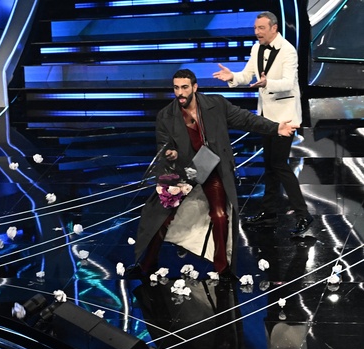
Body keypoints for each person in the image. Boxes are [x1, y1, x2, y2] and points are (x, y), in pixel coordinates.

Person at [129, 68, 298, 280]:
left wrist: (275, 128)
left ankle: (222, 268)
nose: (180, 92)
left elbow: (246, 119)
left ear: (195, 87)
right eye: (176, 88)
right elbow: (164, 147)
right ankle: (147, 263)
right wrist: (170, 155)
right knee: (161, 217)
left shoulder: (215, 104)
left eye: (184, 87)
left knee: (220, 215)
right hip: (183, 171)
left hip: (210, 166)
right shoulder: (166, 115)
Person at [213, 11, 312, 236]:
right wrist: (233, 77)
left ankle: (303, 214)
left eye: (261, 28)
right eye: (255, 28)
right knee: (270, 165)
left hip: (285, 116)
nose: (257, 32)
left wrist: (268, 83)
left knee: (279, 164)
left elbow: (288, 83)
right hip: (266, 118)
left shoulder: (288, 50)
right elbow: (247, 75)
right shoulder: (256, 48)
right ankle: (269, 213)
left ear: (274, 28)